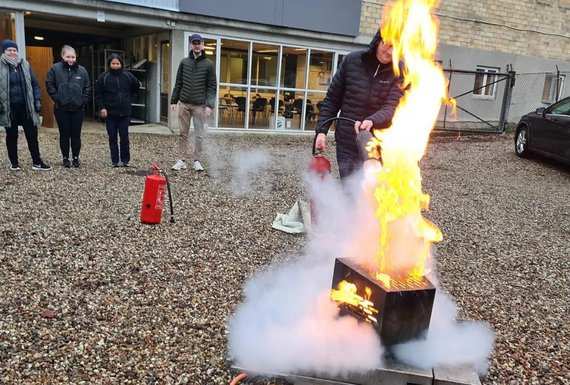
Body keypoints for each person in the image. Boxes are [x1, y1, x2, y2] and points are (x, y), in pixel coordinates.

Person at [315, 30, 405, 180]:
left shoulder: (401, 71)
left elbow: (392, 107)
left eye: (396, 47)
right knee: (350, 189)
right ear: (378, 41)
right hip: (347, 142)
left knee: (373, 191)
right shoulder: (352, 61)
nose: (390, 52)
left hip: (378, 144)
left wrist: (372, 120)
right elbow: (332, 99)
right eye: (387, 45)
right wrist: (322, 130)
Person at [0, 39, 52, 171]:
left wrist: (37, 100)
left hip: (26, 106)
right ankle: (14, 162)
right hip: (9, 107)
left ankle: (37, 162)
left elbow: (35, 84)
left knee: (32, 134)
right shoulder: (0, 66)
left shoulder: (25, 65)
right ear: (4, 51)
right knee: (12, 135)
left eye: (14, 50)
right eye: (9, 50)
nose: (12, 52)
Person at [170, 33, 217, 171]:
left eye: (199, 43)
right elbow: (178, 82)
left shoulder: (209, 64)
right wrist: (174, 100)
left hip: (200, 105)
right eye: (194, 43)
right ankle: (182, 160)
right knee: (183, 133)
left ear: (202, 45)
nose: (196, 46)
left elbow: (212, 86)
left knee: (199, 134)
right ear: (190, 45)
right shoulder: (184, 62)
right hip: (184, 103)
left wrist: (210, 105)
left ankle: (197, 160)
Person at [46, 45, 91, 168]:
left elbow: (87, 86)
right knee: (64, 134)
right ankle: (65, 158)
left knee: (76, 135)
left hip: (78, 109)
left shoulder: (82, 71)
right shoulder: (55, 69)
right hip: (61, 108)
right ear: (63, 56)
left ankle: (76, 157)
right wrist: (57, 98)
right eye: (68, 57)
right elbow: (49, 84)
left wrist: (84, 100)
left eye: (73, 57)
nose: (70, 59)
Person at [95, 53, 141, 167]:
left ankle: (125, 160)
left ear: (121, 64)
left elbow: (137, 85)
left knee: (124, 136)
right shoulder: (104, 77)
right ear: (109, 64)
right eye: (113, 64)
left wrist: (129, 97)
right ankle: (114, 160)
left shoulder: (127, 76)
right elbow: (98, 94)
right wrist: (102, 108)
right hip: (110, 113)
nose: (115, 66)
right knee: (112, 136)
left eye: (117, 63)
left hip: (125, 112)